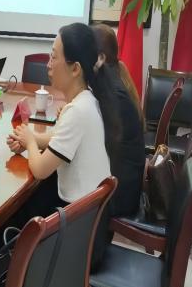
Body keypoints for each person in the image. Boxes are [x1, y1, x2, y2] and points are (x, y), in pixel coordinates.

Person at [7, 22, 120, 215]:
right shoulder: (87, 99)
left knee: (16, 212)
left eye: (53, 57)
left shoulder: (78, 111)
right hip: (88, 212)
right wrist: (28, 140)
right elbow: (58, 139)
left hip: (78, 219)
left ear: (75, 69)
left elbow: (40, 169)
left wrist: (31, 142)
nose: (48, 65)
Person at [92, 24, 145, 216]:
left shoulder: (113, 94)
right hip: (124, 185)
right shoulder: (114, 80)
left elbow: (92, 140)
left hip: (118, 197)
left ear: (100, 58)